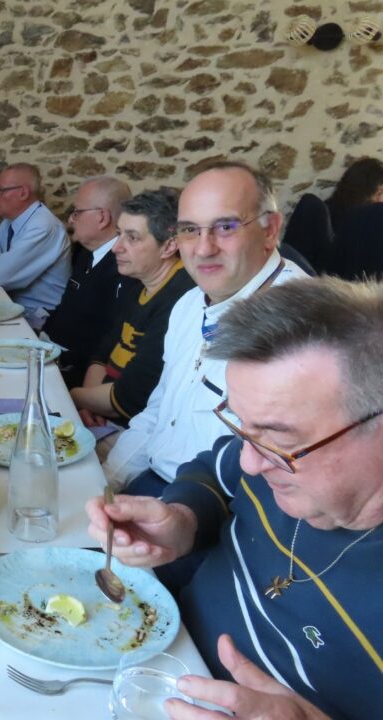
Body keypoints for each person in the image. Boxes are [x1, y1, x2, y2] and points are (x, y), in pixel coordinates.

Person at [85, 277, 383, 720]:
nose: (249, 462)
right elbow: (214, 468)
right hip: (141, 662)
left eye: (281, 440)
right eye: (242, 425)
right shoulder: (266, 458)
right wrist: (183, 519)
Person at [104, 162, 307, 496]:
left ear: (270, 230)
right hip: (151, 480)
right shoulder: (188, 304)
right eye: (189, 230)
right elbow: (157, 413)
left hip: (207, 509)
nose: (203, 248)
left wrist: (178, 511)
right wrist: (106, 485)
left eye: (225, 227)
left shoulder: (299, 328)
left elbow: (272, 484)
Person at [71, 188, 195, 427]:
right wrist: (89, 402)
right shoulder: (140, 282)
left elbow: (130, 398)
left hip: (136, 427)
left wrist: (72, 396)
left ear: (169, 246)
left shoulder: (180, 301)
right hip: (102, 407)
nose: (116, 247)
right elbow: (103, 352)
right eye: (119, 234)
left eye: (132, 238)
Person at [44, 175, 134, 387]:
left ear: (102, 217)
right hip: (52, 355)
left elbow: (108, 341)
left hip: (79, 375)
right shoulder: (86, 253)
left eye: (77, 212)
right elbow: (67, 306)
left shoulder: (125, 267)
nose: (71, 220)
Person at [0, 163, 72, 330]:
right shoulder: (10, 221)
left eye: (1, 190)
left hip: (41, 322)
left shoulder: (43, 226)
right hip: (14, 310)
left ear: (23, 193)